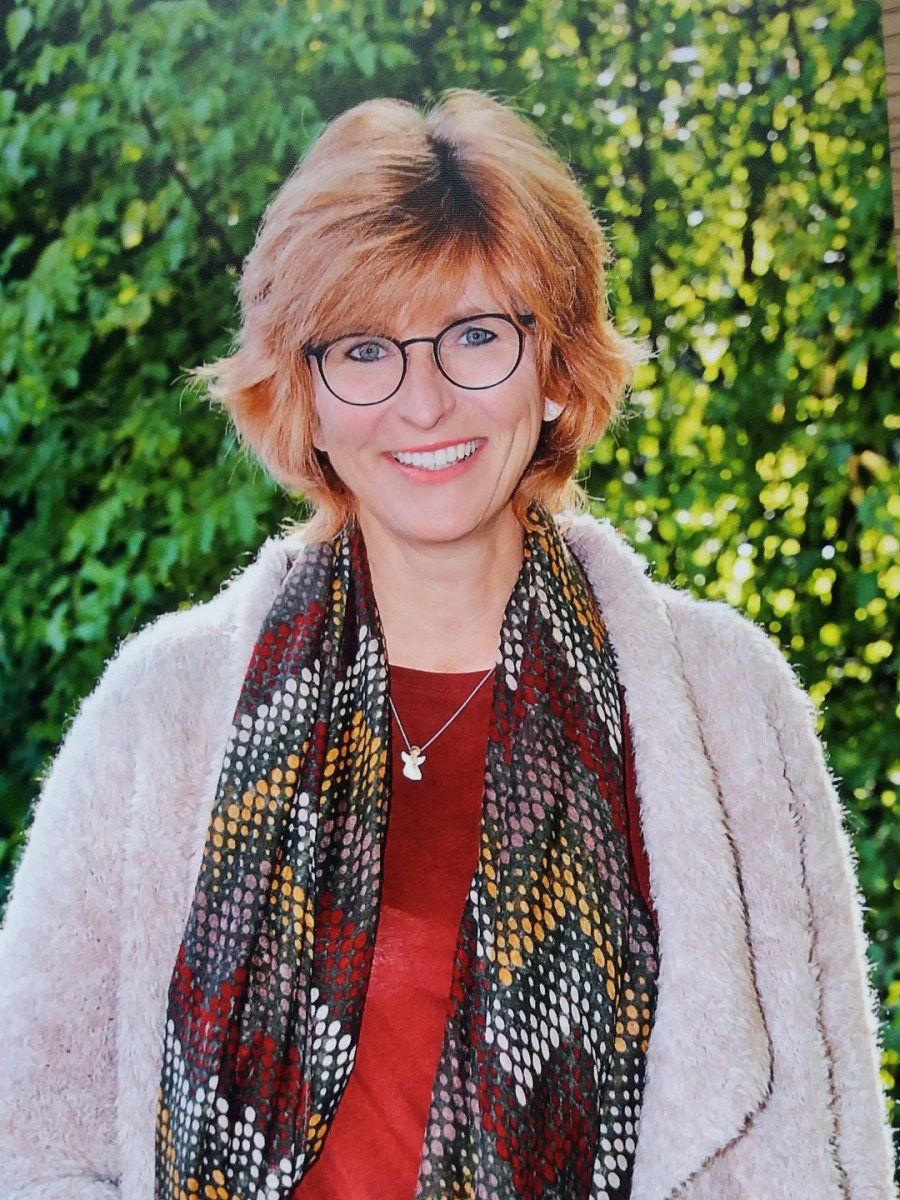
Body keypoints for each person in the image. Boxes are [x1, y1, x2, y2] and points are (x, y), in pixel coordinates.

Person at [0, 89, 894, 1200]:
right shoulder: (160, 713)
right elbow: (28, 1143)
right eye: (364, 350)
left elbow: (822, 1148)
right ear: (305, 392)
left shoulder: (722, 701)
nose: (422, 404)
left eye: (476, 336)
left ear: (554, 365)